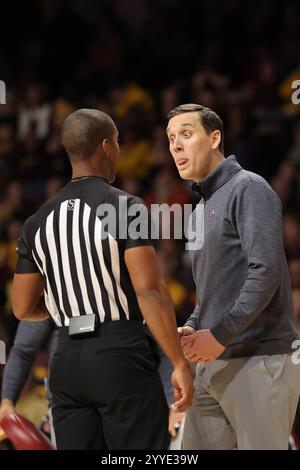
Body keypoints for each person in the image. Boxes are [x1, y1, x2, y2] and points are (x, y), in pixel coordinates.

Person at [11, 108, 194, 450]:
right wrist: (179, 362)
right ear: (107, 146)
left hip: (64, 357)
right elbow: (150, 291)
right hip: (119, 351)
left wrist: (68, 310)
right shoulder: (127, 207)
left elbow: (21, 307)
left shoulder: (36, 221)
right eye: (119, 144)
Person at [166, 103, 300, 450]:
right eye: (170, 139)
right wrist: (195, 324)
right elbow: (211, 291)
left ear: (215, 138)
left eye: (186, 134)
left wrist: (220, 333)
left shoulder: (249, 188)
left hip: (258, 358)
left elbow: (266, 270)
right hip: (215, 362)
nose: (176, 145)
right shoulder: (197, 209)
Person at [0, 320, 184, 442]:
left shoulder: (128, 277)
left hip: (133, 402)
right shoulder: (53, 281)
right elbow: (23, 349)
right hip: (70, 405)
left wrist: (172, 404)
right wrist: (7, 401)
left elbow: (163, 344)